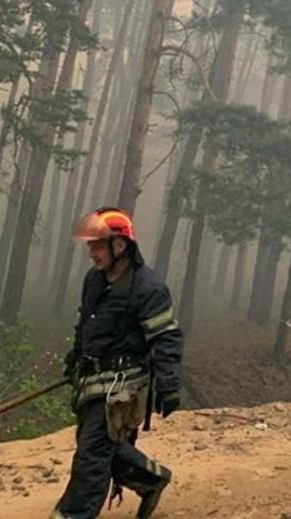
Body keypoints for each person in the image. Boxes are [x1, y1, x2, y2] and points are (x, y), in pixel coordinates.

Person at [52, 208, 183, 519]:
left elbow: (166, 337)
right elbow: (87, 324)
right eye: (90, 246)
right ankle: (151, 478)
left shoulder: (148, 288)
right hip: (93, 384)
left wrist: (168, 384)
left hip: (125, 389)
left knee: (90, 457)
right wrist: (76, 358)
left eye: (97, 246)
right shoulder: (94, 281)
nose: (91, 253)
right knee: (99, 445)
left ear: (120, 246)